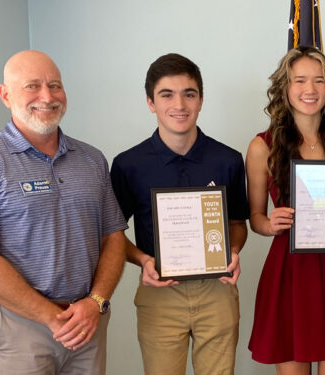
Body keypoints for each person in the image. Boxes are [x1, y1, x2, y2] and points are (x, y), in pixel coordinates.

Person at [0, 50, 128, 375]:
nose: (47, 96)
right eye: (32, 86)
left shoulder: (92, 160)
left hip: (87, 322)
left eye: (55, 86)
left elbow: (113, 237)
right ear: (6, 95)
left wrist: (95, 301)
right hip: (21, 328)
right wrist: (49, 316)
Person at [110, 53, 248, 375]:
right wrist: (142, 260)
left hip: (217, 290)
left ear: (201, 100)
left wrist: (233, 249)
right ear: (150, 102)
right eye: (166, 94)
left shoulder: (227, 160)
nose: (180, 104)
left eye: (189, 93)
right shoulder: (128, 165)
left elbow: (237, 224)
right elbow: (113, 234)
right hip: (159, 291)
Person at [246, 46, 325, 375]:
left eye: (319, 81)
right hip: (290, 271)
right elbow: (256, 219)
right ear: (284, 88)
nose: (310, 89)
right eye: (299, 80)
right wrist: (270, 223)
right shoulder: (263, 145)